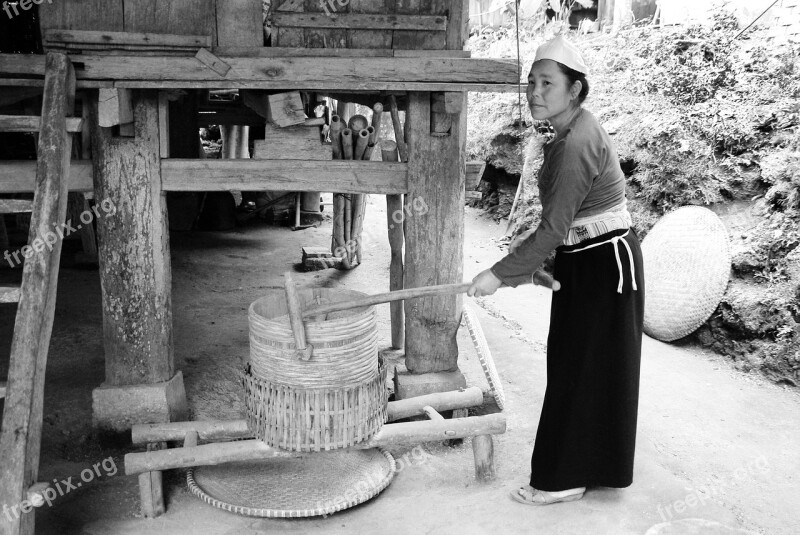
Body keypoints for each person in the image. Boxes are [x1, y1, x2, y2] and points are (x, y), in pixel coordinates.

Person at [468, 35, 645, 505]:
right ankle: (591, 467)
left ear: (576, 90)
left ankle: (564, 477)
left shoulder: (575, 142)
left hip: (606, 264)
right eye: (531, 83)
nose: (535, 93)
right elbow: (564, 228)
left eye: (548, 83)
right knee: (582, 364)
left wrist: (500, 274)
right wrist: (537, 269)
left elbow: (551, 227)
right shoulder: (568, 132)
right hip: (589, 258)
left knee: (582, 366)